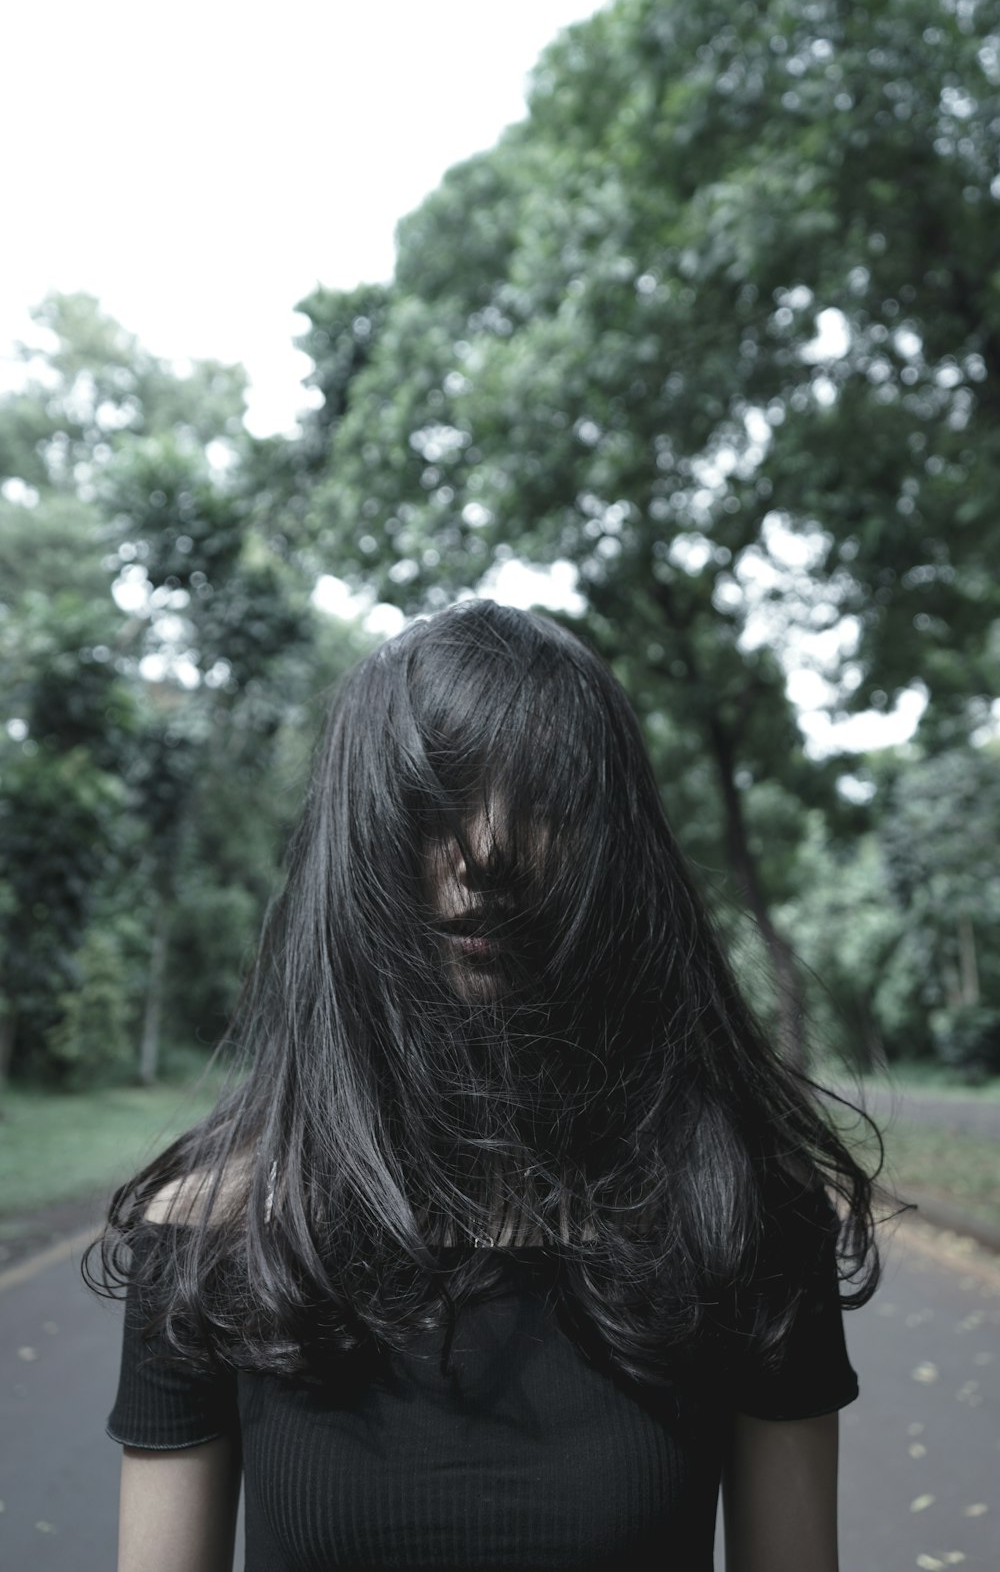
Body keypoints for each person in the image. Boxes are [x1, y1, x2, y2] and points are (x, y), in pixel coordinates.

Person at [85, 598, 886, 1572]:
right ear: (362, 840)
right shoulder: (212, 1230)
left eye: (541, 799)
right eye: (434, 801)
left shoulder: (741, 1214)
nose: (485, 852)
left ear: (611, 847)